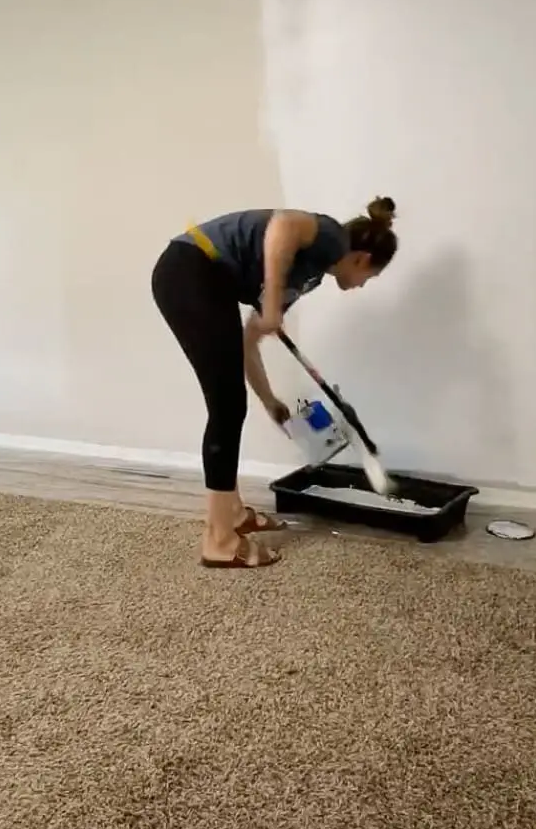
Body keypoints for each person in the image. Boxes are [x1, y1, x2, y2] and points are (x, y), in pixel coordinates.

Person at [151, 197, 398, 570]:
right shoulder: (333, 237)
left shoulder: (305, 277)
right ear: (361, 258)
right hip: (189, 269)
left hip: (205, 280)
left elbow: (249, 342)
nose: (362, 285)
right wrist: (269, 308)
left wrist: (270, 401)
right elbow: (283, 224)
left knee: (233, 403)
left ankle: (232, 515)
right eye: (370, 277)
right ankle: (219, 541)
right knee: (227, 407)